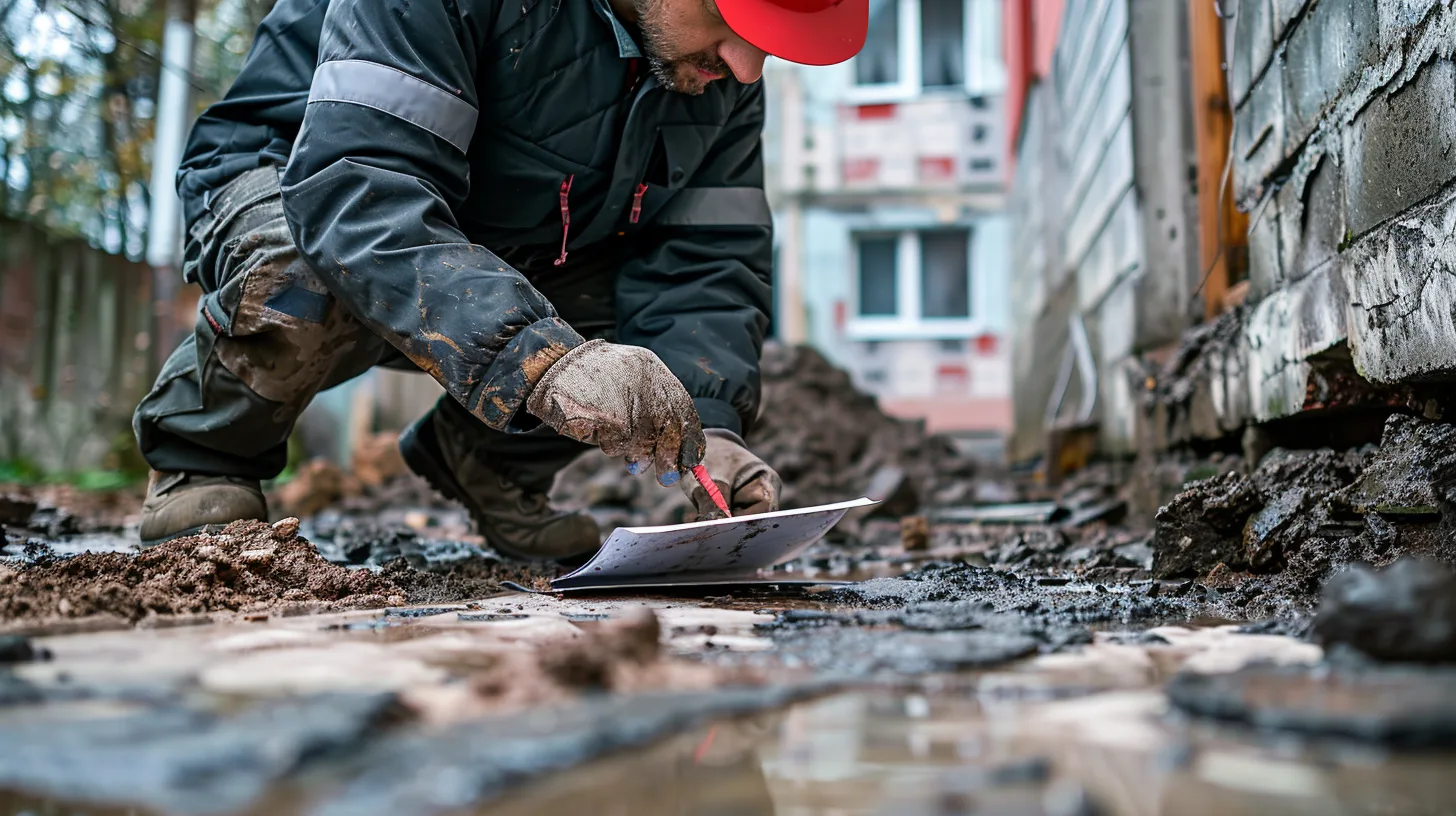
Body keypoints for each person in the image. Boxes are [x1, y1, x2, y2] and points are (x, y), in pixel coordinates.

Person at [130, 0, 868, 561]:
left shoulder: (715, 72)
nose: (746, 68)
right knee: (301, 267)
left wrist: (710, 425)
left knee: (655, 351)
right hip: (301, 182)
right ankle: (207, 459)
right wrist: (542, 363)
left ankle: (483, 456)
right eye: (730, 17)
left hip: (511, 232)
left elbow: (706, 258)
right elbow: (360, 193)